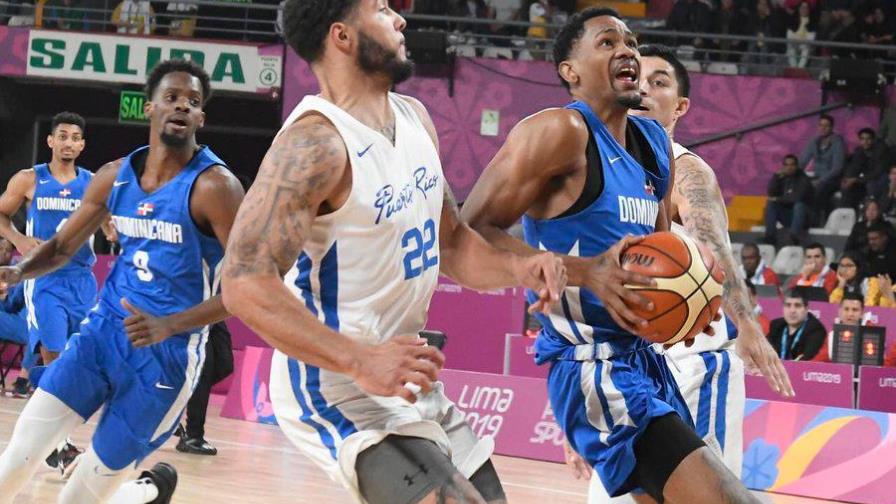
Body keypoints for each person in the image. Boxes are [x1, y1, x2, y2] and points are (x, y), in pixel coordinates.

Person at [220, 2, 565, 503]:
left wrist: (519, 267)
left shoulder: (415, 118)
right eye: (382, 9)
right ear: (342, 35)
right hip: (332, 380)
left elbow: (452, 245)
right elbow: (243, 283)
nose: (401, 20)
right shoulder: (313, 144)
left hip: (402, 369)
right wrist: (360, 362)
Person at [461, 9, 758, 504]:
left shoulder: (654, 144)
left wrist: (692, 299)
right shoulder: (559, 132)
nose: (627, 51)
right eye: (606, 42)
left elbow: (665, 253)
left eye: (632, 42)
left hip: (645, 361)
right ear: (569, 71)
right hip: (593, 367)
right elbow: (466, 233)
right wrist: (576, 272)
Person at [0, 58, 245, 504]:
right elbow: (59, 246)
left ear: (201, 119)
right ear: (149, 108)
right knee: (17, 457)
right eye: (171, 98)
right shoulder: (115, 177)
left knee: (78, 496)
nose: (182, 107)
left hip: (165, 357)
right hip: (101, 335)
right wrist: (18, 271)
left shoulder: (217, 188)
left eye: (193, 102)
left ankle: (148, 491)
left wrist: (172, 324)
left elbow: (250, 289)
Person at [562, 42, 793, 503]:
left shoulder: (688, 171)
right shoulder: (610, 171)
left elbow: (715, 246)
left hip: (697, 363)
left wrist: (746, 323)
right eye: (637, 79)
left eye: (659, 82)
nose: (644, 88)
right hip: (628, 368)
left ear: (680, 106)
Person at [0, 111, 108, 473]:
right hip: (45, 281)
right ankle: (59, 445)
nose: (68, 143)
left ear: (82, 144)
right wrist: (18, 240)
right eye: (62, 136)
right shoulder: (30, 179)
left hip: (82, 280)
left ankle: (46, 438)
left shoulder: (93, 183)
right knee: (55, 357)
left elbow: (109, 223)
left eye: (75, 137)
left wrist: (117, 231)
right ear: (51, 141)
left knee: (74, 363)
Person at [173, 320, 234, 455]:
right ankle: (193, 436)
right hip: (196, 309)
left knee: (225, 365)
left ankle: (168, 411)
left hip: (216, 309)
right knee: (203, 373)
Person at [0, 238, 36, 398]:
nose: (6, 253)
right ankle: (23, 381)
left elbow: (12, 304)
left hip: (25, 327)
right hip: (37, 329)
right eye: (2, 249)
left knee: (36, 331)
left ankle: (23, 381)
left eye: (8, 250)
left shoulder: (25, 272)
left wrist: (4, 297)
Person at [800, 114, 846, 215]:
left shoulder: (837, 142)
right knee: (801, 186)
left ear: (832, 127)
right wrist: (795, 173)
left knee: (820, 188)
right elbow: (803, 161)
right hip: (817, 177)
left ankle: (815, 217)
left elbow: (837, 168)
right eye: (821, 125)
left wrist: (820, 180)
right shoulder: (814, 141)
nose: (823, 128)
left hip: (833, 179)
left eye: (827, 125)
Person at [764, 153, 814, 245]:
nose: (789, 167)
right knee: (771, 204)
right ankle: (769, 236)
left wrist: (779, 199)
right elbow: (771, 193)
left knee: (799, 205)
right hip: (789, 216)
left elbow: (797, 197)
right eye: (786, 165)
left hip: (804, 218)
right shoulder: (782, 178)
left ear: (796, 166)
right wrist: (776, 177)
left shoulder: (804, 179)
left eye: (792, 165)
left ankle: (794, 236)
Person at [766, 290, 827, 360]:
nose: (792, 311)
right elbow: (764, 351)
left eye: (797, 306)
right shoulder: (776, 325)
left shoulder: (816, 329)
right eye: (788, 305)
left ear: (806, 309)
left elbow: (807, 358)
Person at [812, 291, 865, 363]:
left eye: (855, 310)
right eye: (846, 309)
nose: (850, 314)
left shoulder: (871, 334)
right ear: (840, 312)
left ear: (862, 313)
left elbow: (882, 363)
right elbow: (819, 359)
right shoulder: (833, 335)